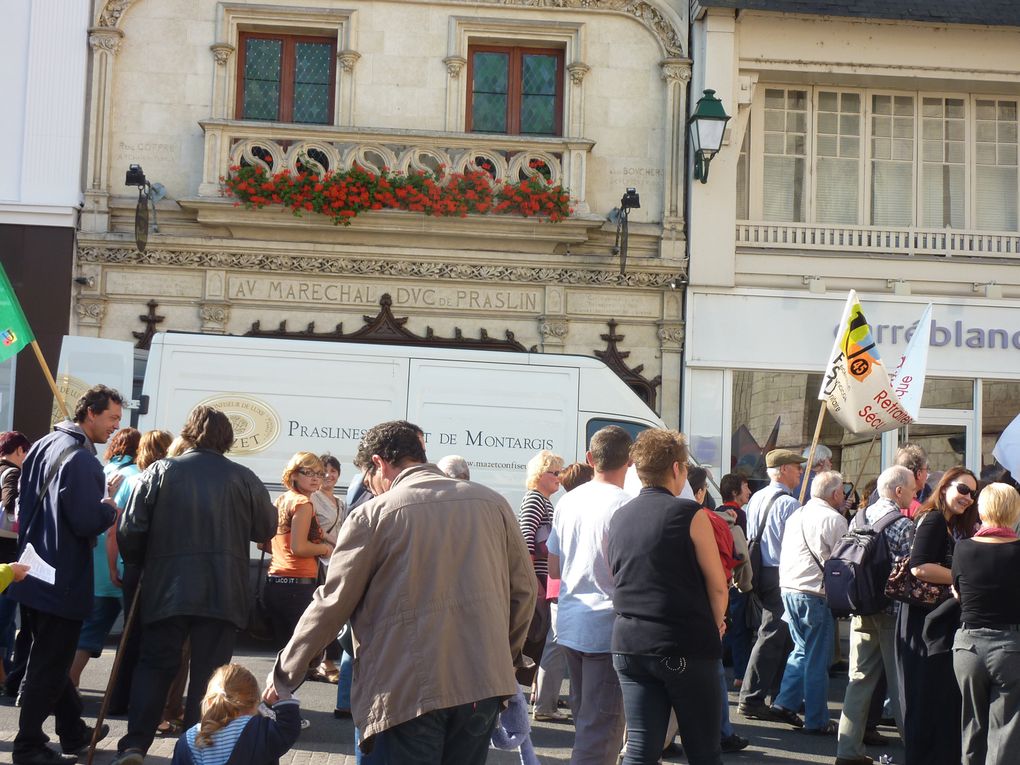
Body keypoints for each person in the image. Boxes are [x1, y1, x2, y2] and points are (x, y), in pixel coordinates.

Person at [265, 420, 536, 764]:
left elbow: (331, 605)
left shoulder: (372, 515)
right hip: (481, 685)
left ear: (379, 463)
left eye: (369, 479)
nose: (373, 488)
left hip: (406, 691)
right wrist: (503, 658)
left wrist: (285, 673)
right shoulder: (493, 503)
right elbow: (524, 593)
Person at [111, 405, 277, 765]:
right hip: (222, 590)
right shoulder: (244, 477)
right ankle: (196, 747)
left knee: (155, 665)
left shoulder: (160, 470)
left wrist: (143, 562)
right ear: (227, 439)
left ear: (188, 433)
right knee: (210, 673)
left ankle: (136, 743)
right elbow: (266, 528)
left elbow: (130, 531)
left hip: (166, 587)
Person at [9, 385, 122, 765]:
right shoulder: (85, 460)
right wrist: (109, 508)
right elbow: (86, 520)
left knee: (49, 656)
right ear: (90, 413)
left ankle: (73, 731)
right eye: (112, 419)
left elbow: (23, 505)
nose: (115, 427)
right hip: (64, 577)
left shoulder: (42, 444)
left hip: (32, 569)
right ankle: (28, 745)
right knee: (49, 663)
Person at [608, 429, 728, 765]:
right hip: (683, 644)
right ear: (677, 469)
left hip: (629, 643)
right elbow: (717, 585)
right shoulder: (690, 514)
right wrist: (716, 623)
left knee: (640, 749)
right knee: (703, 750)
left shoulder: (619, 516)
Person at [547, 425, 633, 765]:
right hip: (604, 626)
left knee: (588, 722)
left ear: (588, 459)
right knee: (601, 728)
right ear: (629, 461)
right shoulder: (625, 505)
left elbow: (554, 568)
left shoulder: (569, 500)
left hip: (571, 621)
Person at [895, 465, 978, 765]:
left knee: (937, 698)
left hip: (934, 620)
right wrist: (959, 577)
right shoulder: (932, 520)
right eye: (963, 489)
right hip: (922, 621)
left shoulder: (951, 524)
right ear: (944, 487)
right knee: (926, 697)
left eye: (973, 492)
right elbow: (919, 567)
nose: (968, 497)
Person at [835, 466, 916, 765]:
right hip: (891, 611)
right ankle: (915, 749)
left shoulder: (859, 516)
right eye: (910, 488)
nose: (914, 493)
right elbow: (908, 571)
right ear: (898, 491)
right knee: (900, 683)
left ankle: (847, 750)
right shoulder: (902, 524)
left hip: (860, 606)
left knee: (859, 679)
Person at [772, 470, 849, 734]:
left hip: (789, 588)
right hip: (814, 592)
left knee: (802, 650)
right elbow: (843, 563)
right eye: (842, 492)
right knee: (817, 658)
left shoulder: (798, 513)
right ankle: (816, 720)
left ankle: (785, 702)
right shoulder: (835, 519)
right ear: (835, 493)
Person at [106, 430, 176, 718]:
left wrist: (116, 566)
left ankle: (117, 700)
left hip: (132, 566)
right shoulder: (162, 482)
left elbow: (115, 530)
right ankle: (144, 703)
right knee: (152, 637)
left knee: (130, 636)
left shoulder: (134, 479)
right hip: (153, 566)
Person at [951, 483, 1020, 765]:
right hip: (1010, 647)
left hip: (968, 646)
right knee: (1005, 731)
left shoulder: (963, 548)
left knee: (972, 725)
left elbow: (958, 592)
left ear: (983, 509)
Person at [69, 427, 141, 688]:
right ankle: (68, 685)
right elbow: (117, 528)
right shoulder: (135, 477)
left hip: (91, 559)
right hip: (115, 564)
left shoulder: (103, 471)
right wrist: (114, 567)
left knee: (84, 626)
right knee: (95, 631)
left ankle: (68, 685)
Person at [737, 448, 805, 721]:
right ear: (784, 470)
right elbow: (796, 543)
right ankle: (752, 699)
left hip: (760, 570)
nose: (800, 472)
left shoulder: (757, 498)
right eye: (796, 467)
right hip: (779, 572)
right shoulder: (789, 504)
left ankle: (778, 696)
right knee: (772, 635)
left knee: (778, 634)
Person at [689, 466, 750, 753]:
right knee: (712, 673)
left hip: (672, 611)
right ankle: (721, 732)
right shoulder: (710, 520)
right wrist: (718, 618)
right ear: (700, 492)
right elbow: (724, 571)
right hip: (705, 607)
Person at [533, 461, 591, 723]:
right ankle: (546, 704)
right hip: (567, 586)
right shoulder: (576, 508)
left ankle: (545, 702)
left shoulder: (562, 507)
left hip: (559, 585)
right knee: (561, 648)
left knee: (556, 647)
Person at [266, 452, 333, 658]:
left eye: (320, 474)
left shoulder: (281, 500)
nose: (315, 478)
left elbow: (265, 544)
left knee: (284, 653)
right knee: (298, 656)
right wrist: (325, 549)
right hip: (297, 584)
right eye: (308, 472)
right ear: (293, 475)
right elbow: (299, 548)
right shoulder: (303, 503)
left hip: (275, 581)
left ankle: (279, 689)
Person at [171, 663, 301, 765]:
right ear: (254, 703)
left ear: (210, 701)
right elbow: (288, 727)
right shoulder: (259, 731)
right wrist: (280, 695)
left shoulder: (188, 740)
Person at [518, 450, 564, 687]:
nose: (559, 477)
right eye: (554, 472)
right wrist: (534, 582)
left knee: (539, 638)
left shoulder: (543, 501)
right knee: (533, 638)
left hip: (543, 579)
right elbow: (525, 540)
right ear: (539, 474)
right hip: (538, 580)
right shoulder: (535, 499)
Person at [311, 453, 347, 684]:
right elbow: (311, 531)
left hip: (335, 563)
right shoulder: (312, 499)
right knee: (319, 614)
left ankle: (322, 661)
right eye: (324, 470)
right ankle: (323, 663)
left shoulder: (341, 503)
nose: (328, 475)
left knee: (334, 614)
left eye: (333, 471)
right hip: (317, 563)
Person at [0, 430, 31, 684]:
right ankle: (4, 674)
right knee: (5, 619)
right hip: (7, 554)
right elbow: (11, 503)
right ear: (19, 451)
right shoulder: (12, 473)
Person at [718, 472, 751, 690]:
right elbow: (742, 550)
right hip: (735, 577)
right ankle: (740, 673)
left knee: (723, 625)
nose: (749, 491)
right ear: (734, 492)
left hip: (719, 578)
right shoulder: (738, 515)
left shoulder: (713, 514)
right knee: (740, 627)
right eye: (746, 487)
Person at [867, 443, 931, 515]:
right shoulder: (917, 507)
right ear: (919, 473)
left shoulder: (879, 491)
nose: (928, 474)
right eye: (927, 469)